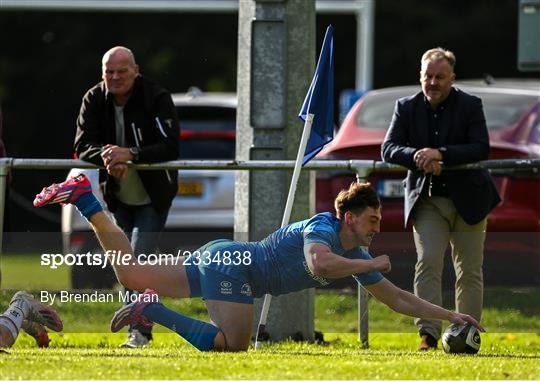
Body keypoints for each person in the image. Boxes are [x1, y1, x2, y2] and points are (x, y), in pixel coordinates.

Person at [34, 174, 484, 352]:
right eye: (370, 219)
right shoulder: (324, 229)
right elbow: (318, 264)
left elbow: (397, 300)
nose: (374, 228)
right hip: (234, 267)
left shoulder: (357, 252)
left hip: (223, 256)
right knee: (233, 346)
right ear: (349, 216)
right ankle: (149, 310)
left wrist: (451, 315)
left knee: (129, 272)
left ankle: (85, 198)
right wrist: (369, 266)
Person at [381, 47, 500, 350]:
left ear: (452, 78)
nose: (433, 82)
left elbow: (480, 148)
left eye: (440, 77)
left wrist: (442, 155)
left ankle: (466, 335)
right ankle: (428, 335)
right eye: (428, 76)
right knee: (428, 262)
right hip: (429, 199)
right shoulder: (406, 107)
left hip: (470, 200)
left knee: (469, 269)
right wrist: (419, 156)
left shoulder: (471, 105)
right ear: (420, 76)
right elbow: (389, 148)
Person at [74, 46, 180, 347]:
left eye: (122, 71)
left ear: (136, 70)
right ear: (102, 74)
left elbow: (170, 146)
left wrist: (131, 154)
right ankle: (138, 325)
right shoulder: (94, 98)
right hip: (117, 196)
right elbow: (83, 144)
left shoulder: (156, 97)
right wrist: (109, 157)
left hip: (153, 196)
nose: (116, 77)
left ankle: (139, 332)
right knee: (125, 262)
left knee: (137, 260)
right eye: (110, 72)